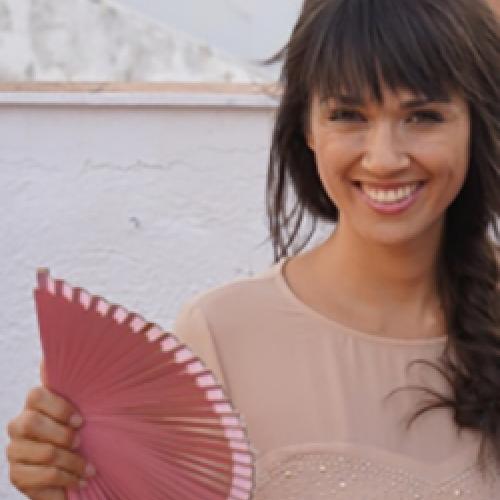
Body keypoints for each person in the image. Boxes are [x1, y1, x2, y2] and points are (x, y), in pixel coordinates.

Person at [6, 0, 499, 498]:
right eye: (348, 115)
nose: (384, 157)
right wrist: (65, 478)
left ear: (475, 123)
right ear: (307, 127)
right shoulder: (220, 337)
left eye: (424, 116)